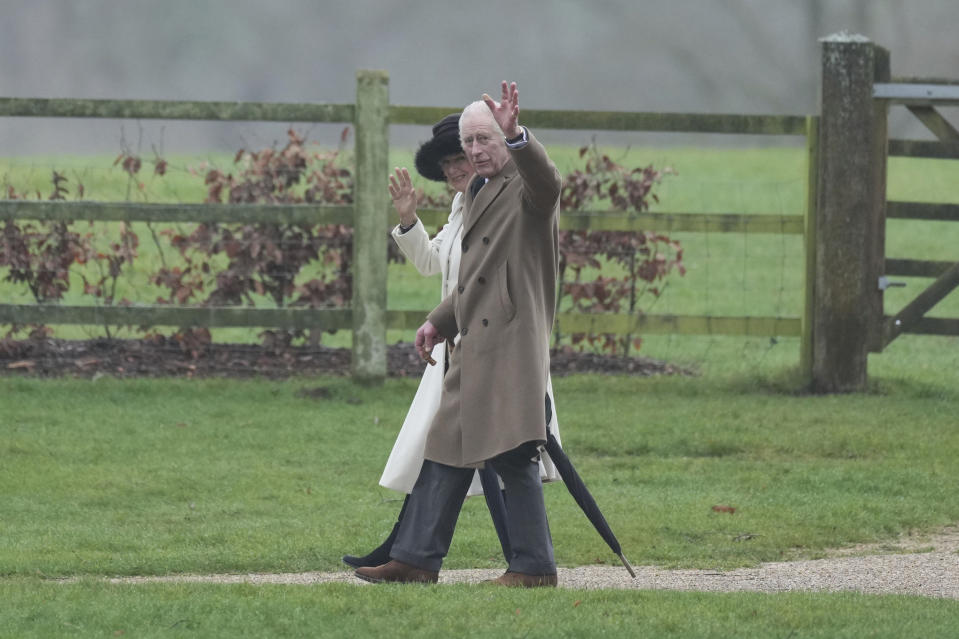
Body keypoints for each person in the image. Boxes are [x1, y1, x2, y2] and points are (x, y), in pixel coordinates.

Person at [354, 81, 563, 587]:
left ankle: (534, 567)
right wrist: (437, 321)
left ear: (503, 138)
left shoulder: (528, 188)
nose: (473, 151)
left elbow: (549, 183)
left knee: (512, 454)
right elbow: (474, 277)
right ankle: (415, 560)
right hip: (470, 341)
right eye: (469, 142)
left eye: (484, 140)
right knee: (445, 446)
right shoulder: (475, 190)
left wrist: (519, 138)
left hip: (512, 344)